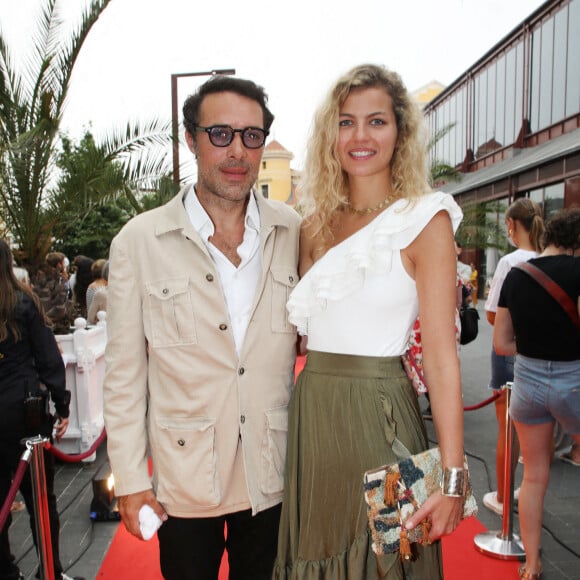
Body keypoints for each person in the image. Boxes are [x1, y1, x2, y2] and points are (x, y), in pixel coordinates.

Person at [103, 75, 300, 580]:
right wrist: (129, 479)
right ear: (191, 140)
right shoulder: (139, 241)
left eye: (251, 136)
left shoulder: (294, 231)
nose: (237, 150)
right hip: (185, 481)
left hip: (271, 470)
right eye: (220, 134)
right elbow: (125, 374)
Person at [273, 64, 465, 579]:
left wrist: (453, 477)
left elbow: (442, 360)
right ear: (328, 134)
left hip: (381, 418)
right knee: (318, 552)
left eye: (376, 121)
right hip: (315, 414)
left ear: (399, 132)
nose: (360, 137)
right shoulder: (311, 221)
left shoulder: (426, 219)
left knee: (389, 557)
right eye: (345, 122)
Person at [493, 208, 580, 580]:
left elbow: (501, 343)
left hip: (527, 382)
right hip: (573, 378)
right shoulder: (578, 271)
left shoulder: (515, 275)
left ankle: (530, 563)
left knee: (534, 476)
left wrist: (534, 349)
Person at [0, 240, 81, 580]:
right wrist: (62, 406)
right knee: (40, 501)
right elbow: (50, 359)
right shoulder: (22, 303)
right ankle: (51, 570)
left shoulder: (22, 303)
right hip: (23, 414)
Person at [482, 198, 544, 516]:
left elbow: (493, 315)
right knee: (534, 429)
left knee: (507, 430)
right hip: (541, 353)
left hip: (508, 352)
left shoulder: (510, 263)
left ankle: (504, 497)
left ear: (511, 225)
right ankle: (531, 491)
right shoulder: (551, 258)